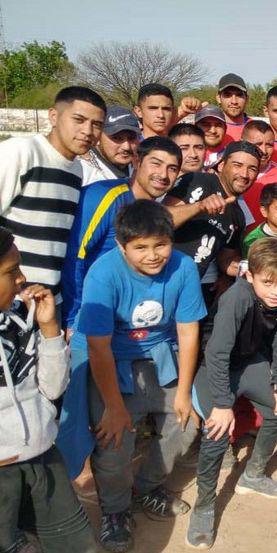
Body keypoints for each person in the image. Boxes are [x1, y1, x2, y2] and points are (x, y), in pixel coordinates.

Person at [69, 201, 206, 551]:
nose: (153, 255)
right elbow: (98, 346)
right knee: (113, 436)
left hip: (159, 351)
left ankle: (146, 487)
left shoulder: (184, 267)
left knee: (187, 422)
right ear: (121, 245)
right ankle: (115, 510)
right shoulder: (103, 273)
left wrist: (183, 392)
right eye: (140, 247)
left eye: (161, 244)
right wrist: (114, 407)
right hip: (109, 357)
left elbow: (188, 330)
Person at [187, 238, 277, 550]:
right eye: (268, 283)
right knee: (217, 429)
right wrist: (223, 404)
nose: (276, 291)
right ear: (250, 275)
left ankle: (253, 475)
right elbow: (217, 353)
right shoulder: (236, 297)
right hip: (213, 367)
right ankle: (204, 506)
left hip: (250, 362)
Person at [0, 229, 96, 553]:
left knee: (74, 543)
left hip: (43, 457)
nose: (22, 278)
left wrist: (49, 329)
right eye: (11, 271)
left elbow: (53, 389)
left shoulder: (20, 320)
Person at [62, 137, 184, 334]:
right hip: (91, 314)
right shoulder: (105, 196)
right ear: (136, 161)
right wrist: (73, 318)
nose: (163, 174)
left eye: (172, 169)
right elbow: (75, 256)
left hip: (126, 319)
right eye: (156, 164)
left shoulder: (155, 211)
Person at [0, 86, 105, 303]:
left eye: (96, 124)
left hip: (47, 300)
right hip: (13, 298)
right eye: (79, 120)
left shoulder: (77, 170)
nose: (88, 131)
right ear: (54, 116)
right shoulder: (21, 152)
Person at [164, 141, 258, 307]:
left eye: (252, 169)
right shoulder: (198, 180)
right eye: (237, 165)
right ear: (221, 166)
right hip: (159, 281)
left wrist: (251, 269)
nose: (244, 174)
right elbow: (158, 220)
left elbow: (226, 259)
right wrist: (199, 206)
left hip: (189, 293)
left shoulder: (239, 215)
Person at [239, 119, 277, 230]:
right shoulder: (229, 171)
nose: (263, 151)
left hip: (266, 239)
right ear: (242, 142)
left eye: (269, 145)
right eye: (257, 144)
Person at [80, 105, 140, 185]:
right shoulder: (83, 172)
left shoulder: (142, 169)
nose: (126, 147)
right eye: (117, 138)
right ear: (98, 137)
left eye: (132, 138)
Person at [216, 73, 251, 141]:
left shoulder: (258, 129)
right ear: (218, 98)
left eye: (239, 95)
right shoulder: (208, 129)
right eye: (227, 95)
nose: (234, 101)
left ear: (247, 99)